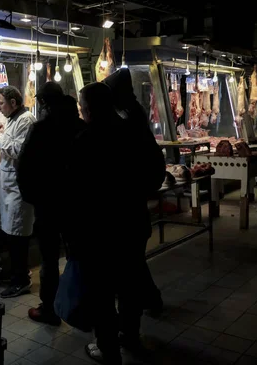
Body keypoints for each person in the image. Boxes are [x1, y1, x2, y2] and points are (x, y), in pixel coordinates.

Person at [66, 82, 160, 365]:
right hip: (132, 224)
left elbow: (73, 194)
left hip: (98, 232)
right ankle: (130, 336)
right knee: (130, 285)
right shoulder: (134, 133)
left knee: (102, 293)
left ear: (89, 110)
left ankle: (108, 349)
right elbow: (156, 173)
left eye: (82, 107)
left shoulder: (85, 141)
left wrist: (72, 236)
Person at [17, 82, 86, 325]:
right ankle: (80, 304)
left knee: (49, 256)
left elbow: (23, 166)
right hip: (76, 202)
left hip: (48, 203)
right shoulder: (80, 125)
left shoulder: (41, 128)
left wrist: (32, 197)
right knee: (78, 253)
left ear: (44, 102)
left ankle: (50, 309)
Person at [103, 69, 165, 315]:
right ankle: (150, 299)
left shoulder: (127, 119)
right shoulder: (132, 112)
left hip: (128, 204)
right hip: (135, 202)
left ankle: (133, 319)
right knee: (134, 261)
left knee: (130, 262)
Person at [0, 86, 36, 298]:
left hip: (17, 190)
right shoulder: (13, 120)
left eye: (1, 104)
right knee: (11, 236)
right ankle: (16, 274)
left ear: (13, 103)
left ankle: (21, 280)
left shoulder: (26, 121)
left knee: (18, 238)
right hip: (8, 190)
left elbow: (17, 149)